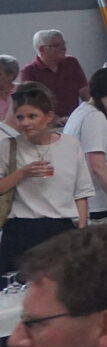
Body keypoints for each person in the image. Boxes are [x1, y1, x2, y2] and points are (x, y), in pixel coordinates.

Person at [0, 84, 90, 272]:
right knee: (17, 286)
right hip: (21, 228)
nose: (25, 123)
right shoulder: (9, 146)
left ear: (48, 116)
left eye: (32, 116)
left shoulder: (70, 144)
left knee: (65, 285)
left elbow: (81, 193)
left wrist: (81, 232)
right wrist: (22, 173)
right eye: (20, 117)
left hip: (61, 228)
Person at [66, 68, 107, 230]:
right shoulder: (94, 117)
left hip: (97, 201)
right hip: (104, 204)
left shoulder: (82, 111)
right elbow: (97, 166)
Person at [23, 29, 87, 120]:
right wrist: (54, 119)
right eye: (57, 45)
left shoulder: (71, 62)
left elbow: (84, 91)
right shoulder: (29, 71)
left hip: (75, 118)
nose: (63, 48)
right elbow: (31, 103)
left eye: (63, 44)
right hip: (46, 122)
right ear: (42, 49)